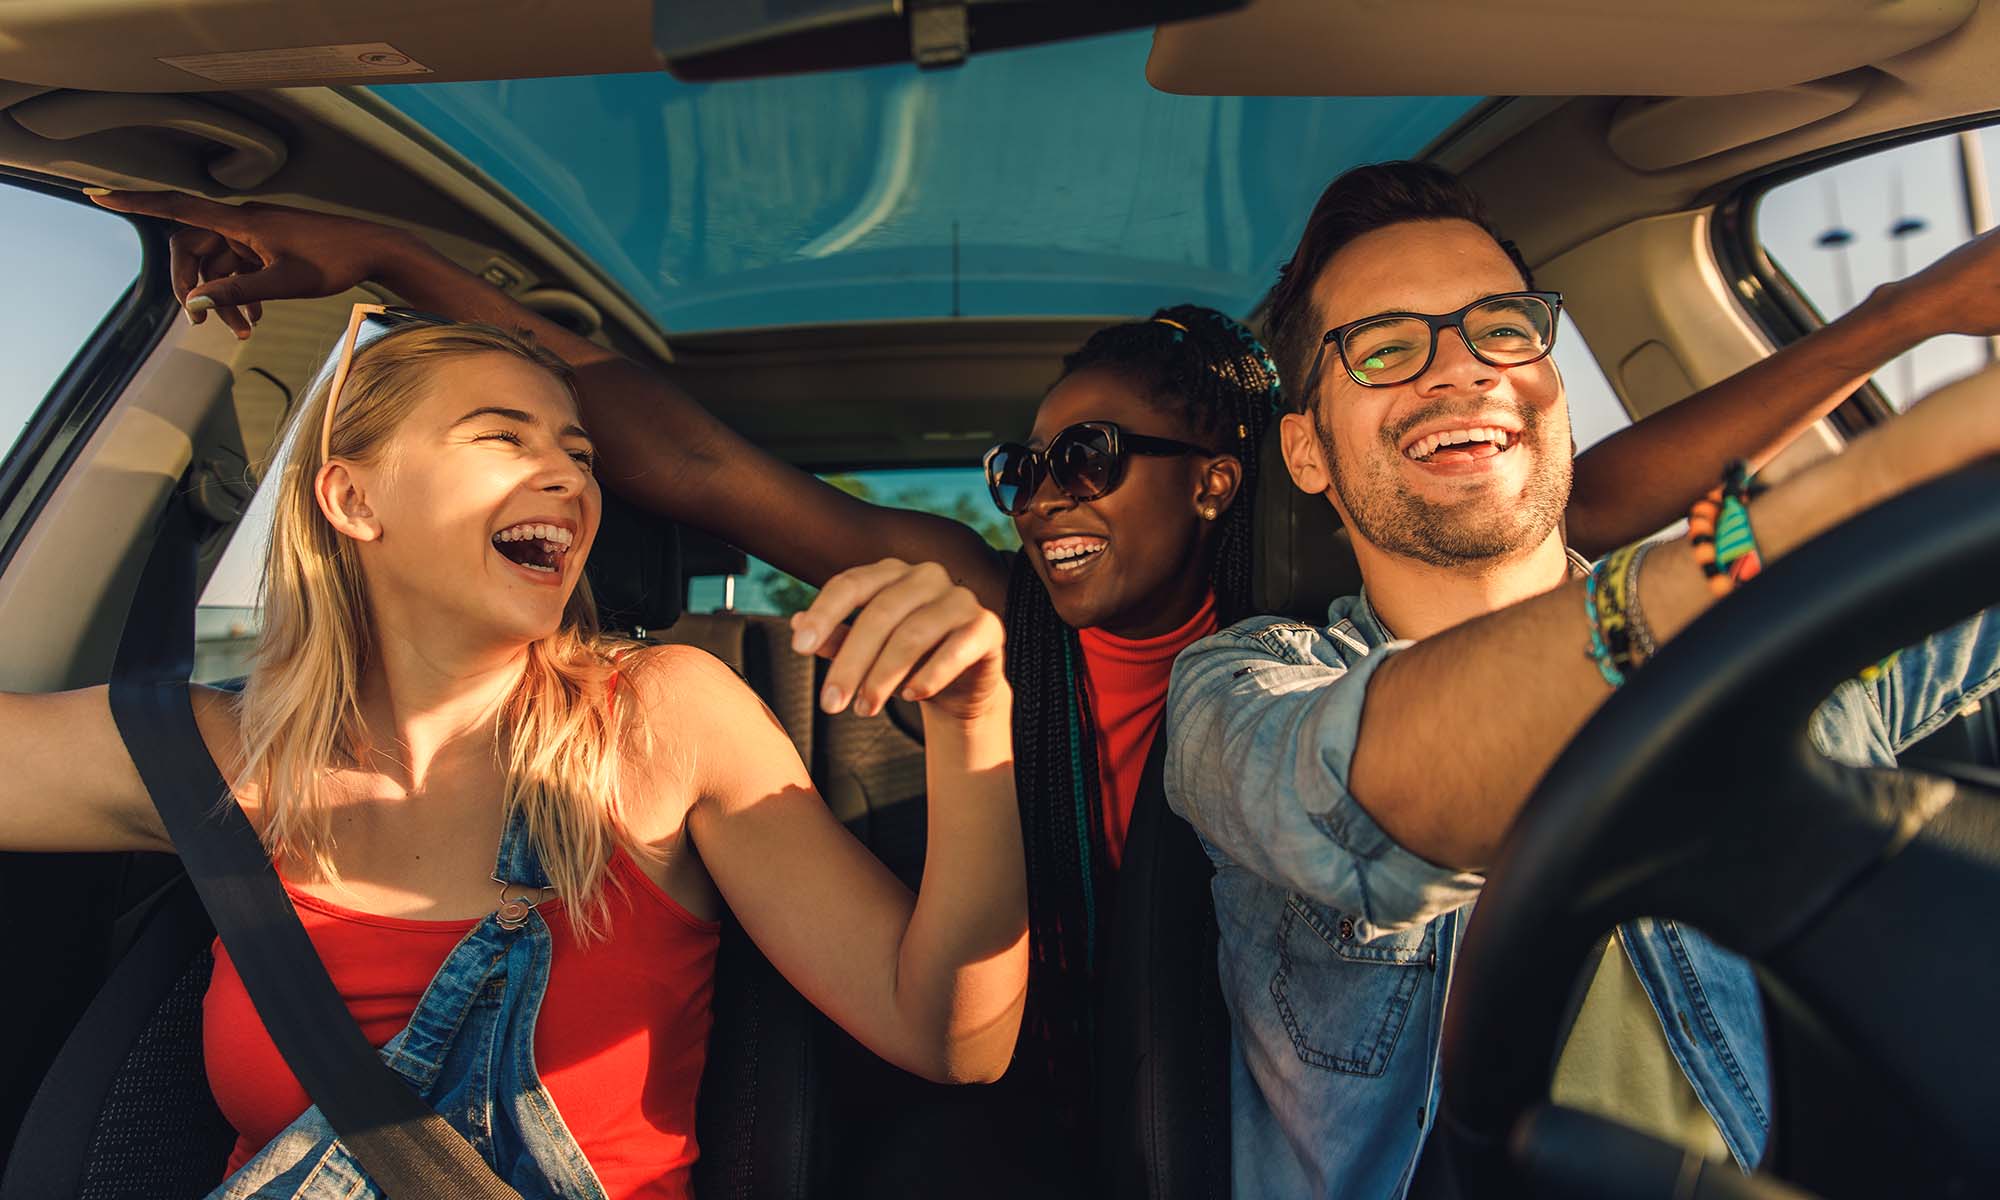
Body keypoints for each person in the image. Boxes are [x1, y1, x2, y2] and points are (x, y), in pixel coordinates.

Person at [80, 183, 2000, 1177]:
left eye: (1094, 460)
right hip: (1024, 1085)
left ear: (1232, 478)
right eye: (1024, 466)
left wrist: (1911, 334)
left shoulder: (1362, 599)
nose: (1044, 497)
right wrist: (394, 273)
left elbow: (1605, 520)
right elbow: (695, 463)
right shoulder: (1000, 609)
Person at [0, 316, 1024, 1198]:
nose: (569, 479)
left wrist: (974, 723)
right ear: (354, 501)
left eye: (579, 455)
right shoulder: (214, 753)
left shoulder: (662, 718)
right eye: (503, 437)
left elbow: (949, 1039)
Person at [1162, 160, 2000, 1198]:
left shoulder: (1785, 644)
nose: (1462, 371)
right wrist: (1853, 494)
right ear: (1305, 451)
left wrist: (1907, 324)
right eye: (1383, 348)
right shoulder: (1238, 688)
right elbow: (1363, 796)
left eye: (1501, 329)